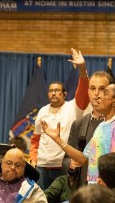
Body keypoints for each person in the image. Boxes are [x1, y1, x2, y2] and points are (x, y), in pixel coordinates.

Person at [41, 83, 115, 184]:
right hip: (95, 188)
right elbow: (83, 159)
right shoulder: (102, 126)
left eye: (105, 93)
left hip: (109, 191)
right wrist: (57, 139)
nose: (99, 96)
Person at [30, 48, 90, 189]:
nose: (53, 93)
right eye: (51, 90)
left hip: (62, 165)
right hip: (42, 166)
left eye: (57, 90)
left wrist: (82, 68)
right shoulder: (42, 111)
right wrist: (33, 158)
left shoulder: (73, 107)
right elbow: (36, 139)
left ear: (65, 93)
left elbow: (83, 90)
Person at [62, 71, 115, 189]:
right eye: (92, 88)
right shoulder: (78, 124)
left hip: (107, 190)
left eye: (102, 89)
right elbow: (66, 160)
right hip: (81, 189)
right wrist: (70, 164)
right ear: (88, 92)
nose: (96, 94)